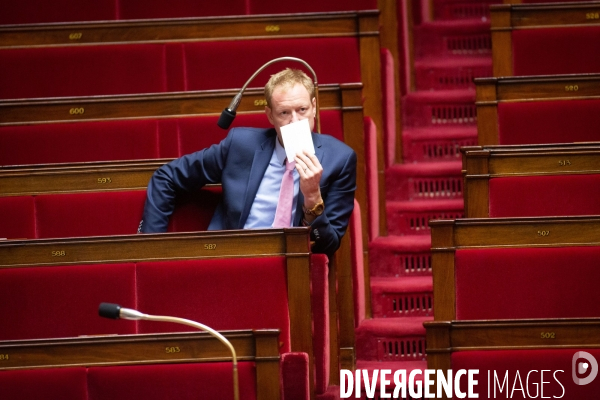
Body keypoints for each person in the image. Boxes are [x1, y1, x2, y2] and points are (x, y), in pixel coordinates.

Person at [139, 68, 356, 256]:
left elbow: (328, 245)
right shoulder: (240, 145)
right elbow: (166, 177)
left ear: (314, 106)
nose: (295, 121)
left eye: (302, 110)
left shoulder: (340, 159)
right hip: (231, 257)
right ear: (270, 116)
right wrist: (152, 246)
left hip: (293, 267)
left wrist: (312, 199)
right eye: (284, 113)